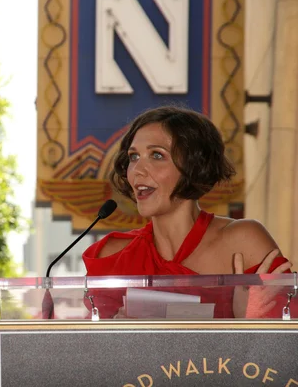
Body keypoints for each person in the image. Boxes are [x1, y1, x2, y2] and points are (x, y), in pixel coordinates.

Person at [82, 106, 292, 319]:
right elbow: (94, 349)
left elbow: (285, 345)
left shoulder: (244, 241)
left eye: (156, 155)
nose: (137, 170)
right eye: (134, 157)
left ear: (194, 166)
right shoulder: (112, 256)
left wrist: (248, 322)